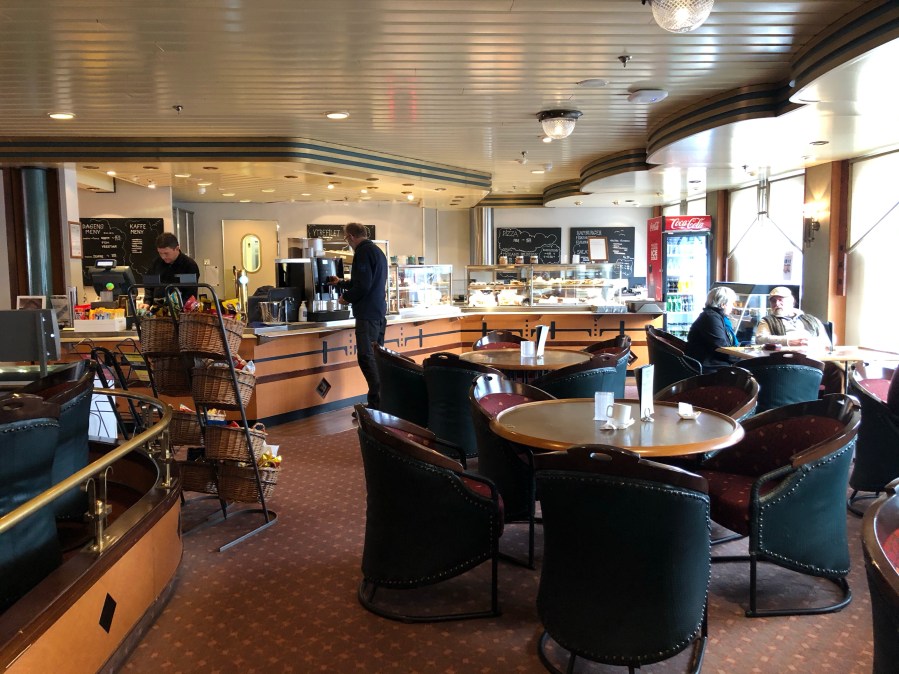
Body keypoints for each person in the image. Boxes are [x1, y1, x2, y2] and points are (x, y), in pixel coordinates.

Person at [327, 223, 388, 413]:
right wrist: (342, 283)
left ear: (351, 236)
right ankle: (379, 403)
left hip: (367, 314)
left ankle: (377, 405)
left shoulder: (362, 252)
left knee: (366, 358)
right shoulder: (377, 251)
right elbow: (363, 281)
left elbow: (363, 286)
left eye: (346, 238)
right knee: (376, 359)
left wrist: (346, 298)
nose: (348, 242)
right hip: (378, 312)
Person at [755, 286, 843, 393]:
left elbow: (827, 342)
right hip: (788, 363)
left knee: (837, 371)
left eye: (780, 300)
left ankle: (834, 403)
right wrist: (788, 341)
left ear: (791, 301)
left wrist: (813, 343)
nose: (777, 304)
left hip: (815, 360)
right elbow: (760, 339)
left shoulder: (812, 320)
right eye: (773, 301)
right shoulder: (767, 321)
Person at [686, 286, 742, 371]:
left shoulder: (713, 316)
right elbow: (721, 348)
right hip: (709, 367)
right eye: (731, 303)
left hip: (711, 363)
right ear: (723, 304)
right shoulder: (711, 317)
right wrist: (741, 359)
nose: (733, 307)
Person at [147, 232, 200, 301]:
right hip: (158, 305)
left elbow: (189, 294)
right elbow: (149, 285)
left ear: (177, 249)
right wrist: (147, 302)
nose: (163, 257)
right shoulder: (156, 263)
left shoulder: (189, 265)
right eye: (160, 253)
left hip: (181, 306)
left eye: (166, 253)